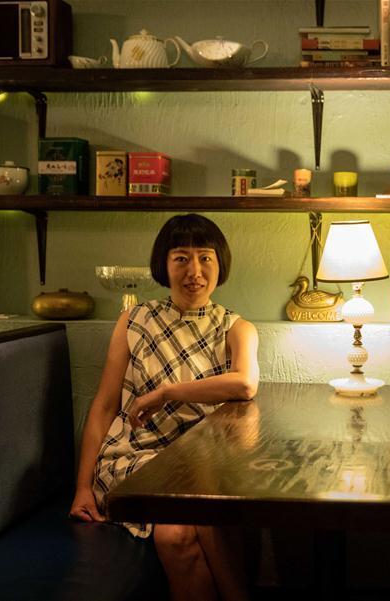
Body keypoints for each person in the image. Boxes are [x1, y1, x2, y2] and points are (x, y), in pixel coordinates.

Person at [69, 213, 259, 601]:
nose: (195, 271)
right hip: (135, 459)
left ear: (220, 264)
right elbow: (105, 408)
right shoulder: (134, 321)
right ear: (164, 265)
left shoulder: (236, 328)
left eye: (205, 258)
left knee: (175, 532)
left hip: (204, 463)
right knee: (196, 495)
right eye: (181, 258)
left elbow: (244, 383)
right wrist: (82, 487)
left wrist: (167, 392)